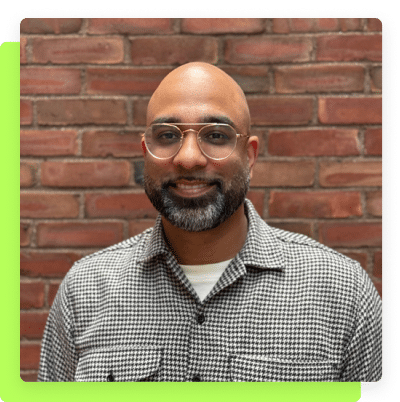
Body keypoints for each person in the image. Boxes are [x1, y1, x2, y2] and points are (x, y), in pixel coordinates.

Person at [37, 62, 382, 382]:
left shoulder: (343, 293)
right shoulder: (84, 291)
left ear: (249, 156)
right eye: (168, 136)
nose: (188, 158)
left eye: (216, 135)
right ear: (145, 152)